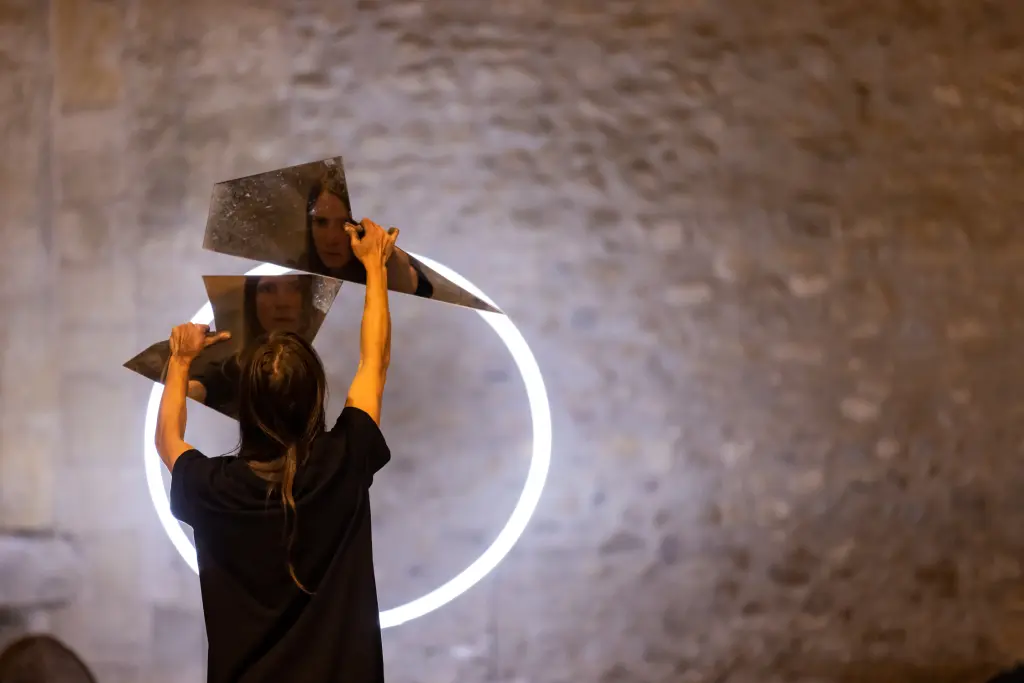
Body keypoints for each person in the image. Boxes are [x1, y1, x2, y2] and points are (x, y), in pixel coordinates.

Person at [155, 218, 400, 683]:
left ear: (244, 406)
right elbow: (375, 362)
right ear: (316, 396)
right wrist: (374, 265)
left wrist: (181, 359)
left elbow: (168, 438)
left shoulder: (213, 489)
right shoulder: (344, 461)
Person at [304, 181, 433, 299]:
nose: (331, 239)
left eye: (346, 225)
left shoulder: (388, 260)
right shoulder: (306, 264)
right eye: (321, 222)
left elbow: (412, 286)